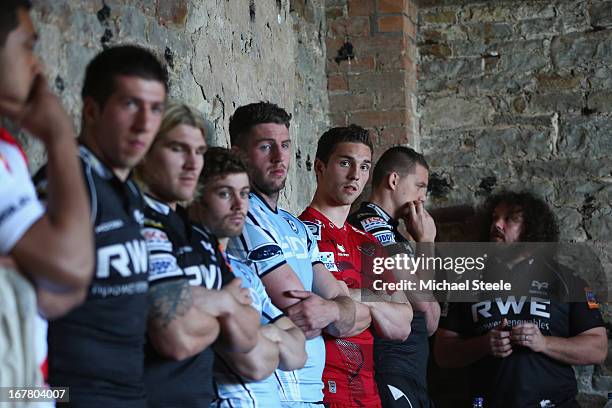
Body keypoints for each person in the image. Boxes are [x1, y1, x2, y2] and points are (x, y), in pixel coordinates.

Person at [34, 45, 167, 407]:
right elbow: (28, 294)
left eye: (155, 109)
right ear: (92, 110)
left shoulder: (128, 190)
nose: (145, 124)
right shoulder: (68, 180)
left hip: (130, 393)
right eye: (130, 105)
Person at [226, 101, 369, 407]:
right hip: (274, 392)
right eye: (266, 147)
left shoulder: (297, 227)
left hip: (313, 395)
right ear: (238, 154)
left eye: (285, 145)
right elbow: (298, 309)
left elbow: (342, 308)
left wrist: (334, 309)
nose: (280, 157)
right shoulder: (243, 213)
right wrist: (337, 309)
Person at [136, 102, 260, 407]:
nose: (194, 164)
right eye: (179, 149)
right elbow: (176, 337)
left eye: (200, 152)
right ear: (147, 151)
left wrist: (202, 301)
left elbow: (247, 338)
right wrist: (224, 302)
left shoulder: (198, 233)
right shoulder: (137, 218)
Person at [434, 191, 608, 407]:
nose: (496, 224)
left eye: (508, 219)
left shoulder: (567, 280)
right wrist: (484, 344)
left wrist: (543, 343)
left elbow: (598, 348)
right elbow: (442, 353)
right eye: (494, 217)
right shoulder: (467, 281)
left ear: (531, 228)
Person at [0, 0, 92, 392]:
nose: (38, 66)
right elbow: (73, 265)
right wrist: (58, 139)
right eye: (27, 47)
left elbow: (64, 293)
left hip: (25, 384)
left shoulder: (9, 151)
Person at [299, 125, 413, 408]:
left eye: (364, 166)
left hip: (368, 394)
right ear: (320, 166)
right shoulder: (297, 232)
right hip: (319, 393)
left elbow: (402, 325)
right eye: (345, 163)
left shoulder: (368, 243)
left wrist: (350, 297)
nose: (355, 175)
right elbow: (325, 318)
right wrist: (375, 302)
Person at [191, 146, 307, 407]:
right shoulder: (197, 267)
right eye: (224, 193)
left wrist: (265, 333)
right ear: (197, 197)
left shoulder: (243, 272)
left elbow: (299, 352)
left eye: (244, 194)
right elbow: (253, 364)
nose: (238, 205)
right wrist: (274, 336)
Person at [348, 146, 440, 407]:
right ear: (394, 180)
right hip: (391, 366)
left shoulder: (390, 231)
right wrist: (426, 241)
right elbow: (427, 311)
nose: (423, 197)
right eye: (420, 185)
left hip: (409, 369)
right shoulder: (373, 226)